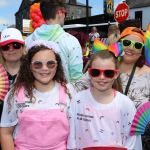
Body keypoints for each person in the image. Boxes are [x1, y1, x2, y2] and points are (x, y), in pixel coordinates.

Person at [0, 40, 74, 149]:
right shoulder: (15, 93)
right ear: (29, 66)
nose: (45, 68)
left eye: (50, 64)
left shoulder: (68, 91)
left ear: (57, 65)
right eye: (38, 64)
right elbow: (6, 132)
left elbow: (75, 133)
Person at [67, 50, 142, 150]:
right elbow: (72, 138)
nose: (102, 77)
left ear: (116, 74)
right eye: (96, 72)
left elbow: (132, 141)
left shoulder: (126, 104)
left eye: (108, 73)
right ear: (89, 73)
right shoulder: (77, 100)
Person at [25, 0, 83, 83]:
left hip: (33, 93)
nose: (65, 17)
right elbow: (76, 79)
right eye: (65, 13)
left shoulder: (28, 40)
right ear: (59, 12)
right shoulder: (71, 41)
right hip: (64, 94)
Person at [119, 27, 150, 150]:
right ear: (119, 43)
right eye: (127, 43)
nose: (131, 48)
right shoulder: (106, 69)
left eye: (137, 45)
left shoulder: (148, 73)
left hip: (140, 140)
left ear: (142, 50)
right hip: (109, 134)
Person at [0, 28, 25, 150]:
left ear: (22, 47)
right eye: (6, 47)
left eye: (15, 45)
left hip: (25, 134)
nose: (11, 50)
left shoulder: (34, 72)